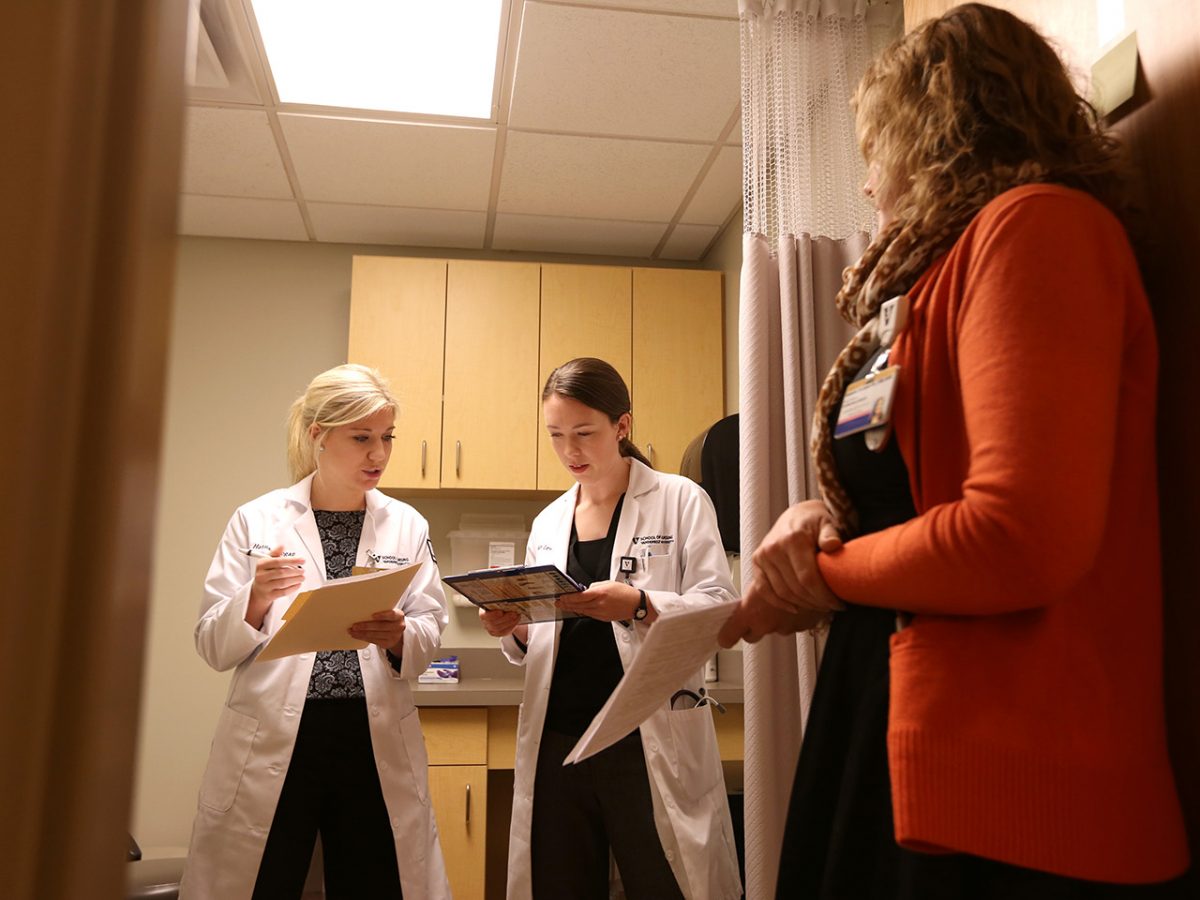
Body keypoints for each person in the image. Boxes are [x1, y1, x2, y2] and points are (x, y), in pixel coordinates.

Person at [720, 5, 1190, 897]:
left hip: (1014, 777)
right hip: (909, 726)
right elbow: (924, 488)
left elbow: (1019, 533)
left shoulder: (1036, 230)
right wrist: (825, 521)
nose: (867, 188)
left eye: (872, 150)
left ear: (933, 127)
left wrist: (827, 572)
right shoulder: (940, 276)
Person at [180, 364, 451, 900]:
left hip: (368, 738)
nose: (379, 454)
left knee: (376, 882)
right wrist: (255, 599)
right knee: (262, 880)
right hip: (279, 737)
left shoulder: (406, 525)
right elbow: (211, 643)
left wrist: (399, 634)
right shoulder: (256, 521)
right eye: (362, 438)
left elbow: (430, 629)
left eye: (386, 438)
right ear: (318, 435)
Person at [480, 357, 742, 900]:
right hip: (560, 740)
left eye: (584, 433)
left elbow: (720, 606)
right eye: (556, 436)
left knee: (663, 882)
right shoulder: (549, 521)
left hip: (644, 734)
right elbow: (543, 635)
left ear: (622, 426)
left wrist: (641, 604)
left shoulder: (679, 500)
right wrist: (515, 626)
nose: (570, 451)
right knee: (561, 883)